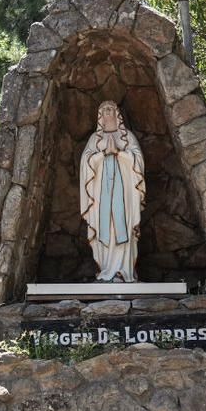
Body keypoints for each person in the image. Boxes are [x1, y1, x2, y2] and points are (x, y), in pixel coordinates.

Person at [78, 100, 145, 282]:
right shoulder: (95, 139)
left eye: (110, 108)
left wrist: (118, 153)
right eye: (104, 109)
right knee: (104, 228)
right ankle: (107, 269)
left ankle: (124, 271)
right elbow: (85, 162)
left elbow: (139, 160)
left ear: (117, 113)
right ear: (100, 115)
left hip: (125, 193)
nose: (107, 111)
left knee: (124, 226)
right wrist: (103, 154)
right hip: (101, 193)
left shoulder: (127, 136)